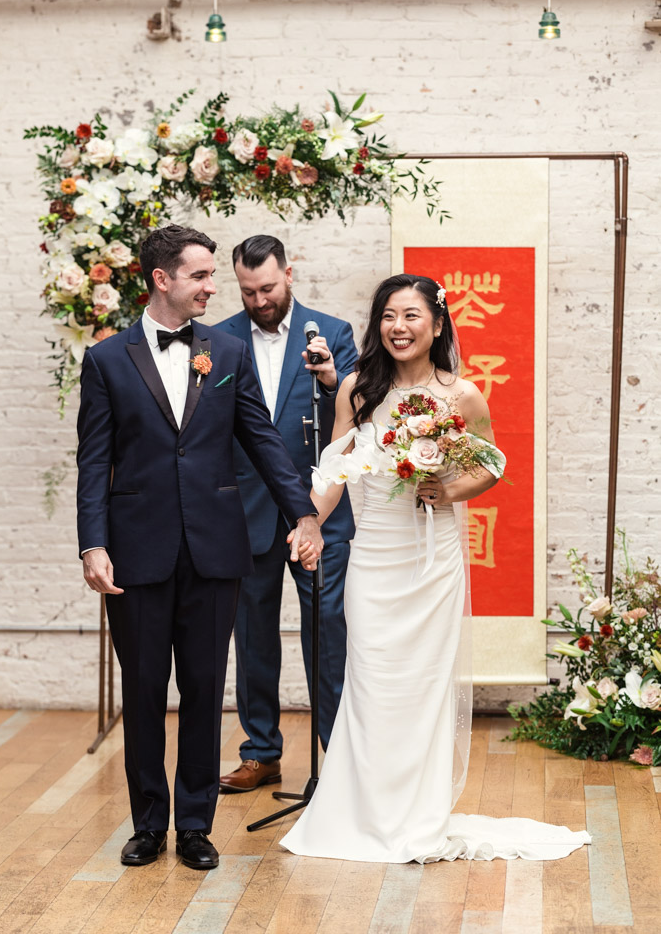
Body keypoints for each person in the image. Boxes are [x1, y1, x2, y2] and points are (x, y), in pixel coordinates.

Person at [281, 273, 591, 863]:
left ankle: (417, 817)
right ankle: (360, 813)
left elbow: (491, 464)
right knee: (371, 682)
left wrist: (447, 491)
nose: (398, 328)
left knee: (423, 687)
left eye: (411, 316)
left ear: (437, 323)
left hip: (431, 560)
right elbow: (333, 470)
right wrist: (311, 521)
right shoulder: (356, 390)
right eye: (388, 317)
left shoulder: (460, 395)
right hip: (373, 557)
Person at [77, 224, 323, 871]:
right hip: (136, 553)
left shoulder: (228, 352)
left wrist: (302, 511)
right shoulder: (105, 360)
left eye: (214, 275)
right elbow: (92, 460)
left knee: (205, 692)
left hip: (216, 549)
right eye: (201, 276)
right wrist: (92, 544)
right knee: (143, 693)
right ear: (162, 279)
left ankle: (193, 826)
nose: (213, 288)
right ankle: (147, 824)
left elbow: (262, 440)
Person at [216, 235, 358, 793]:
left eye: (268, 287)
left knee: (327, 630)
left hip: (319, 507)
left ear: (290, 274)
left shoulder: (334, 332)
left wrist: (327, 379)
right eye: (247, 291)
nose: (259, 300)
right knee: (251, 634)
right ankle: (261, 752)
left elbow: (360, 407)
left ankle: (337, 755)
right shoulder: (218, 337)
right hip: (244, 508)